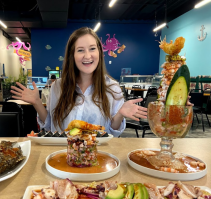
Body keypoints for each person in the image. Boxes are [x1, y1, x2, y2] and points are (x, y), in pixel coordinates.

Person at [11, 27, 147, 137]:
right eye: (80, 50)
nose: (87, 56)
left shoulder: (112, 87)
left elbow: (112, 134)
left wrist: (120, 114)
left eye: (92, 48)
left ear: (100, 52)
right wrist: (37, 102)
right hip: (63, 155)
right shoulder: (58, 86)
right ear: (72, 55)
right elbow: (50, 126)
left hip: (96, 156)